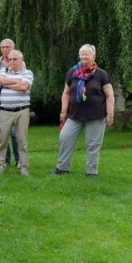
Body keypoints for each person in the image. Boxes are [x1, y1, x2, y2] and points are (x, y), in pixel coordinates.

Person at [51, 44, 115, 177]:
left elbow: (110, 95)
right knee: (65, 138)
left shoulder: (101, 74)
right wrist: (63, 112)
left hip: (96, 115)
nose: (83, 56)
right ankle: (62, 168)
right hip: (74, 115)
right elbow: (66, 93)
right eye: (82, 54)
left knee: (93, 144)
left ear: (94, 56)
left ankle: (91, 172)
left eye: (87, 54)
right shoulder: (72, 72)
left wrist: (110, 114)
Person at [0, 49, 33, 176]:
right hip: (5, 110)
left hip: (22, 110)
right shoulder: (4, 70)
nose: (11, 61)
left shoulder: (28, 73)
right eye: (10, 59)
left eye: (14, 59)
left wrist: (8, 84)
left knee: (22, 141)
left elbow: (24, 87)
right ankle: (0, 164)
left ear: (21, 60)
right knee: (2, 139)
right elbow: (0, 80)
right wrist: (16, 82)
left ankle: (23, 166)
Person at [0, 38, 20, 166]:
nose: (5, 49)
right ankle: (4, 161)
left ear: (13, 48)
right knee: (0, 133)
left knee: (15, 133)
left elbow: (22, 81)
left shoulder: (19, 62)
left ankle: (19, 161)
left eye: (8, 47)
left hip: (14, 102)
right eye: (3, 47)